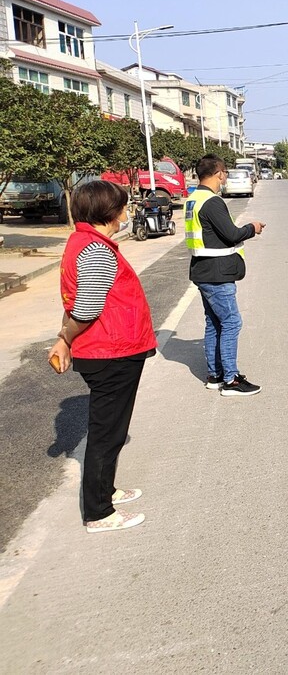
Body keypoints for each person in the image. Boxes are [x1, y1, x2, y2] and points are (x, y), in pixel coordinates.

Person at [48, 181, 157, 533]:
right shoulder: (96, 250)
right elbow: (87, 307)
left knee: (110, 430)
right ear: (109, 213)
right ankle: (98, 512)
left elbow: (76, 300)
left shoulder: (82, 242)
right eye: (122, 207)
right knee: (107, 434)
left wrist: (63, 338)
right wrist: (64, 337)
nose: (126, 212)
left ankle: (105, 490)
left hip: (107, 349)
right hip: (111, 352)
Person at [186, 155, 266, 396]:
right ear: (219, 173)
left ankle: (215, 375)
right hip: (217, 274)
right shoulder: (212, 202)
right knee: (231, 322)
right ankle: (230, 380)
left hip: (203, 270)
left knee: (214, 323)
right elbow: (232, 234)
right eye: (225, 173)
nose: (225, 178)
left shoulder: (193, 199)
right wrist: (252, 228)